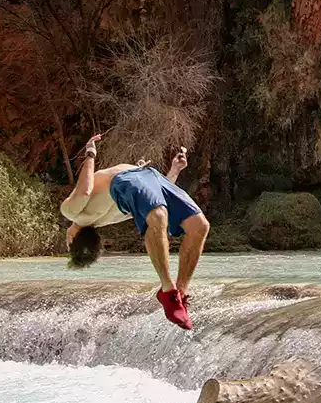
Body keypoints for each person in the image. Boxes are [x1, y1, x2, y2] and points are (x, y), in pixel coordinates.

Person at [60, 133, 210, 331]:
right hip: (130, 178)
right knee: (159, 217)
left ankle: (180, 294)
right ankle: (168, 290)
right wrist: (89, 153)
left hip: (149, 176)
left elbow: (153, 200)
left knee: (199, 226)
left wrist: (174, 170)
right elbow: (85, 190)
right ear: (71, 240)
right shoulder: (73, 212)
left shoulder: (110, 216)